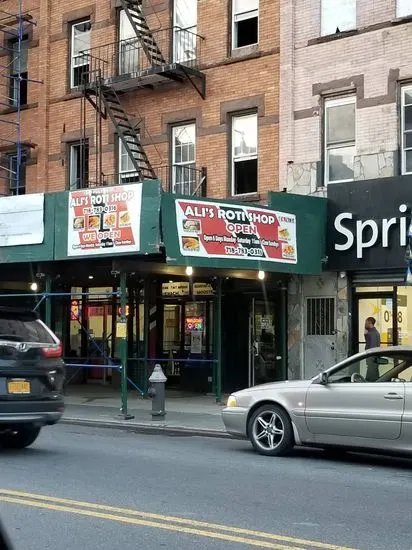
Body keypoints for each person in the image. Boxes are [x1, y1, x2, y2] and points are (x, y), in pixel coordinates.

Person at [364, 317, 381, 381]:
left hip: (372, 358)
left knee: (372, 374)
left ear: (369, 323)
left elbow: (372, 348)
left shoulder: (372, 334)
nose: (365, 324)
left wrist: (370, 357)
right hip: (373, 358)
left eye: (366, 322)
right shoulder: (373, 333)